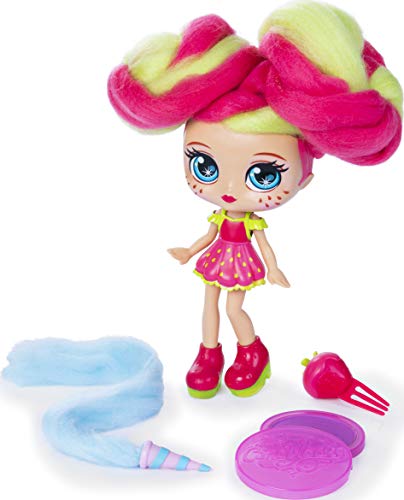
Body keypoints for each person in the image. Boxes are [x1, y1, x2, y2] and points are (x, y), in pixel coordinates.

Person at [108, 1, 402, 398]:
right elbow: (209, 235)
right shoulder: (222, 214)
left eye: (263, 176)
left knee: (233, 307)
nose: (230, 188)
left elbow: (261, 242)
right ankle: (208, 354)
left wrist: (273, 268)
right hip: (217, 260)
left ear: (305, 179)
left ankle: (251, 352)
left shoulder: (251, 221)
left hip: (241, 263)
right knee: (208, 306)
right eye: (204, 165)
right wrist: (189, 250)